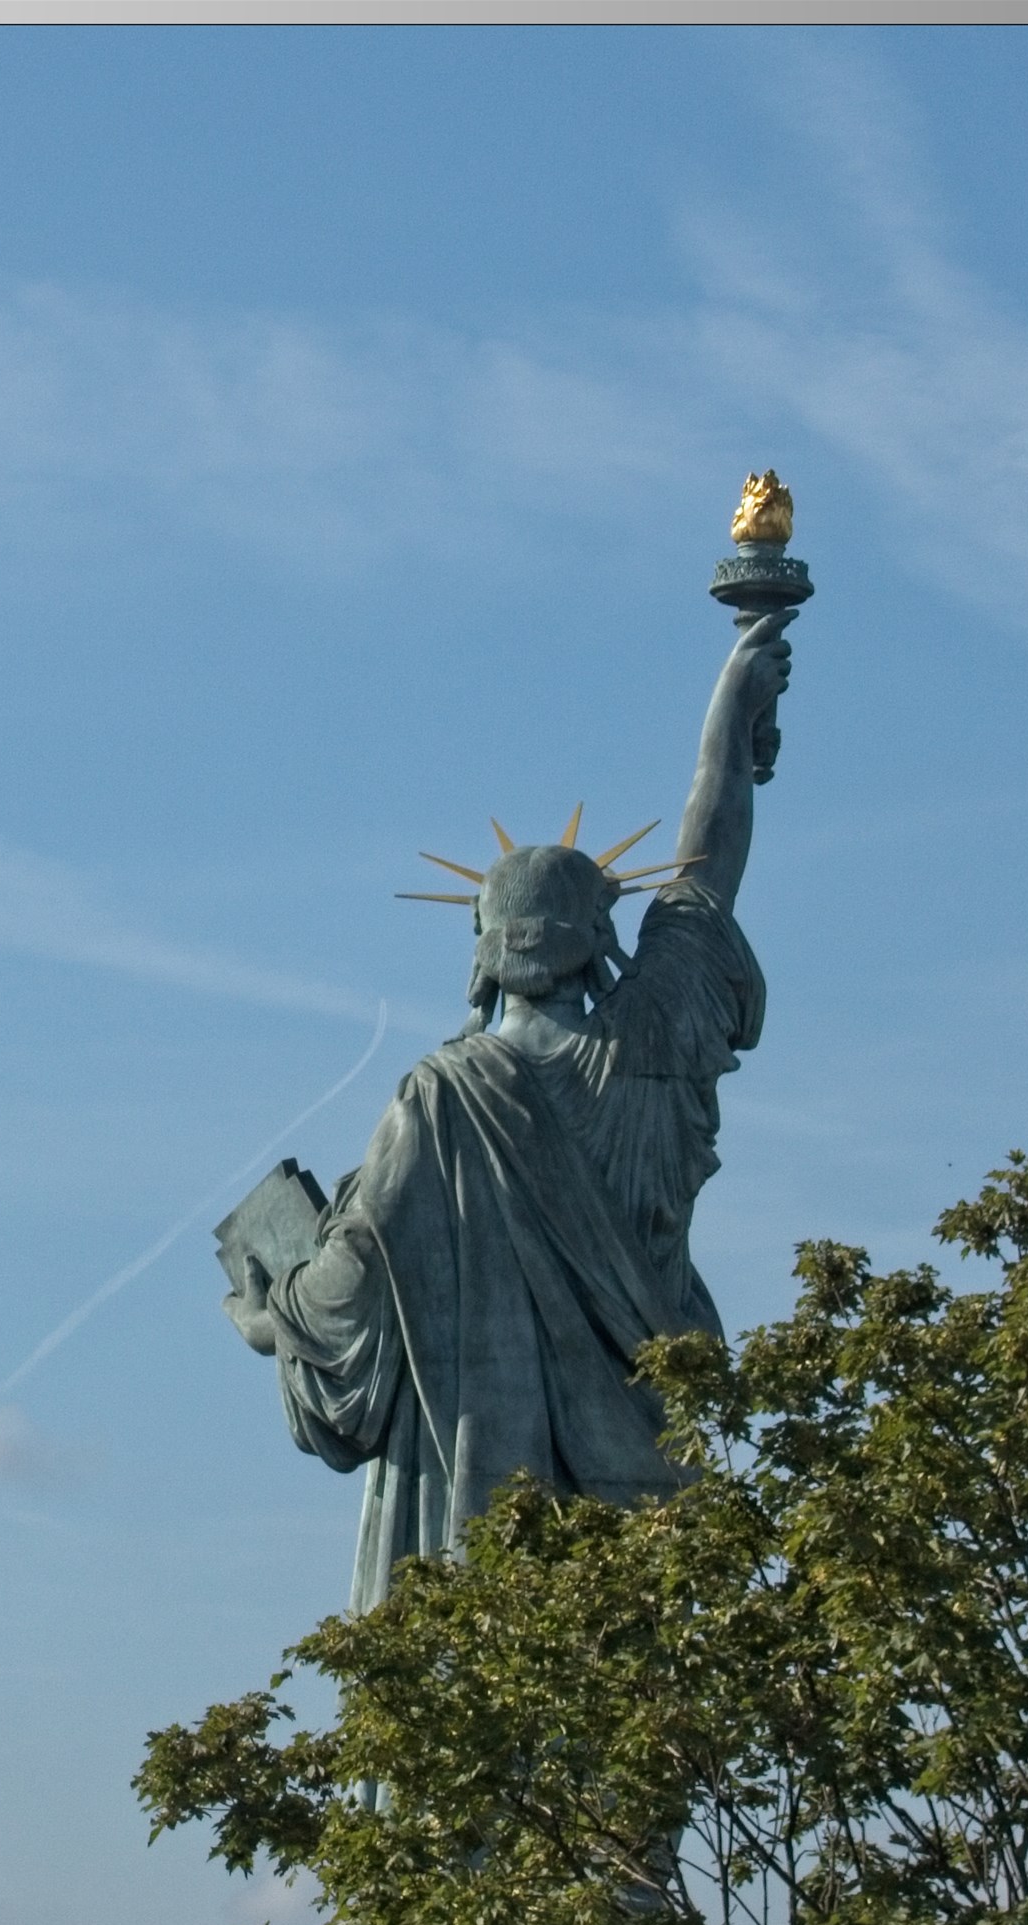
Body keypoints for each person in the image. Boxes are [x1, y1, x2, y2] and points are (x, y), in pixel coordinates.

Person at [223, 608, 793, 1610]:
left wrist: (270, 1317)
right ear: (597, 941)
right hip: (649, 1491)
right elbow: (708, 870)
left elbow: (345, 1292)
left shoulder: (440, 1100)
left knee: (492, 1695)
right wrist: (730, 723)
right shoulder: (654, 1046)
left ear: (483, 953)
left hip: (479, 1518)